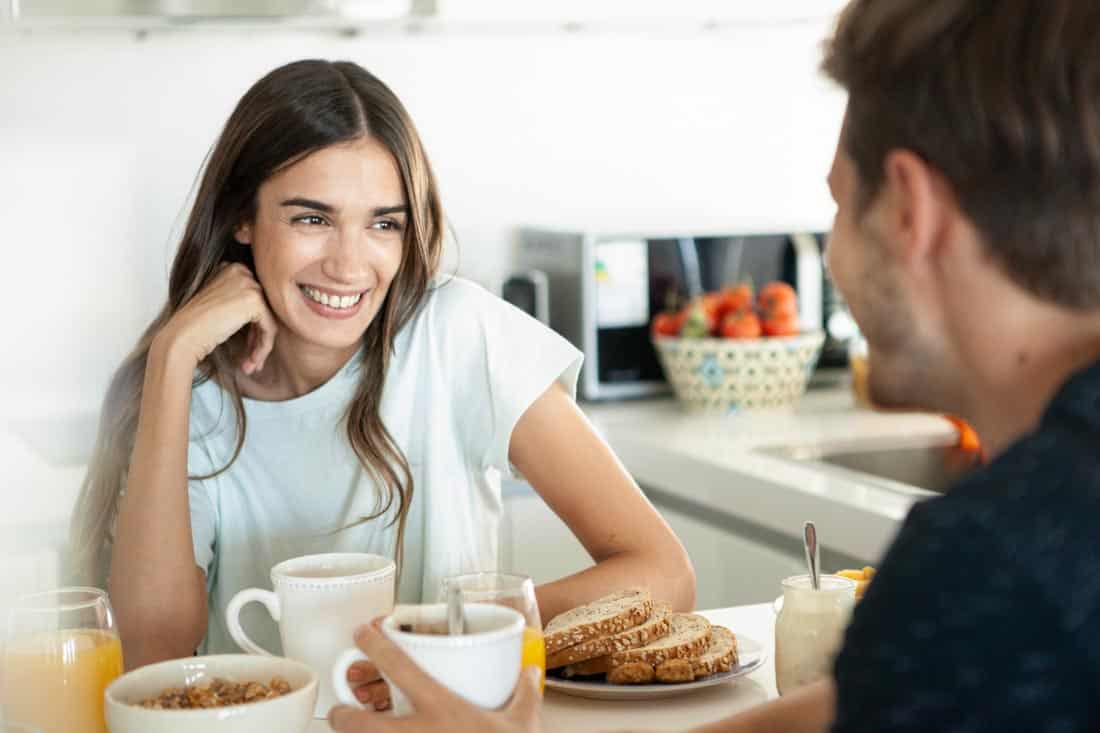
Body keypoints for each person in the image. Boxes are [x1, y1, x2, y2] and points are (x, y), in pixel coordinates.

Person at [328, 0, 1100, 730]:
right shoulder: (1011, 587)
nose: (831, 255)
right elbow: (863, 707)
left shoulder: (989, 567)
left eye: (837, 208)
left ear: (909, 212)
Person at [66, 59, 696, 710]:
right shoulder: (192, 396)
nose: (347, 264)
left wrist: (449, 638)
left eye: (383, 224)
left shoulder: (457, 334)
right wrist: (171, 357)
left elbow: (662, 571)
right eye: (312, 219)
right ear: (242, 218)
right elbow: (150, 656)